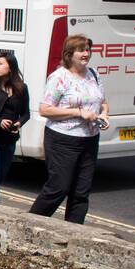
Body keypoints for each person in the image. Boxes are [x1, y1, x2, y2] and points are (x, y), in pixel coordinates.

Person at [29, 34, 108, 224]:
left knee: (81, 191)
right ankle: (31, 224)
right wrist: (78, 113)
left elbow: (102, 101)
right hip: (63, 139)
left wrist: (104, 114)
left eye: (88, 50)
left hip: (89, 139)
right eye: (81, 50)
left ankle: (74, 232)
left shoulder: (93, 74)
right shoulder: (59, 77)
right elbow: (45, 109)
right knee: (59, 187)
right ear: (69, 53)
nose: (86, 54)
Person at [0, 52, 30, 203]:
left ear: (10, 67)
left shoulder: (21, 88)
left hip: (9, 139)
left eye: (0, 63)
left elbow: (26, 113)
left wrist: (19, 123)